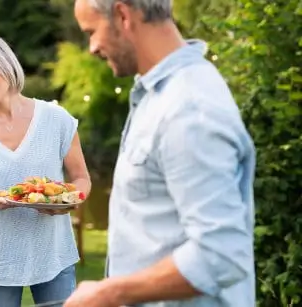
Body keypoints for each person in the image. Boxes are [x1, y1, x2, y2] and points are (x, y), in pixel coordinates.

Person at [65, 0, 256, 306]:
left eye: (92, 31)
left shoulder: (189, 108)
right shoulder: (157, 95)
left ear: (123, 15)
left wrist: (110, 293)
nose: (91, 47)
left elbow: (221, 252)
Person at [0, 33, 92, 307]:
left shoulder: (56, 119)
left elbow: (81, 178)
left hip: (53, 253)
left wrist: (66, 202)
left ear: (5, 63)